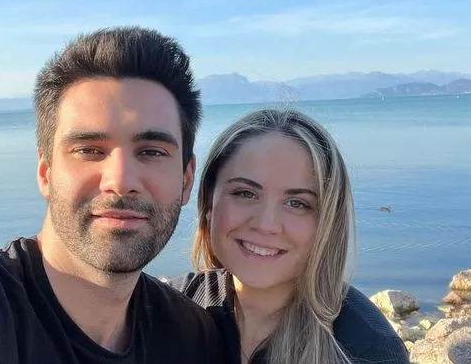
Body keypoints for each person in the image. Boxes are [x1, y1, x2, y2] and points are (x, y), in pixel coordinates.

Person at [0, 27, 225, 364]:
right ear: (45, 173)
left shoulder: (190, 334)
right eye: (89, 150)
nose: (120, 181)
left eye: (151, 152)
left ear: (186, 179)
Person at [168, 108, 410, 364]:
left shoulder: (368, 350)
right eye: (245, 193)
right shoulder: (166, 310)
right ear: (209, 204)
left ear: (327, 222)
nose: (266, 224)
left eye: (297, 203)